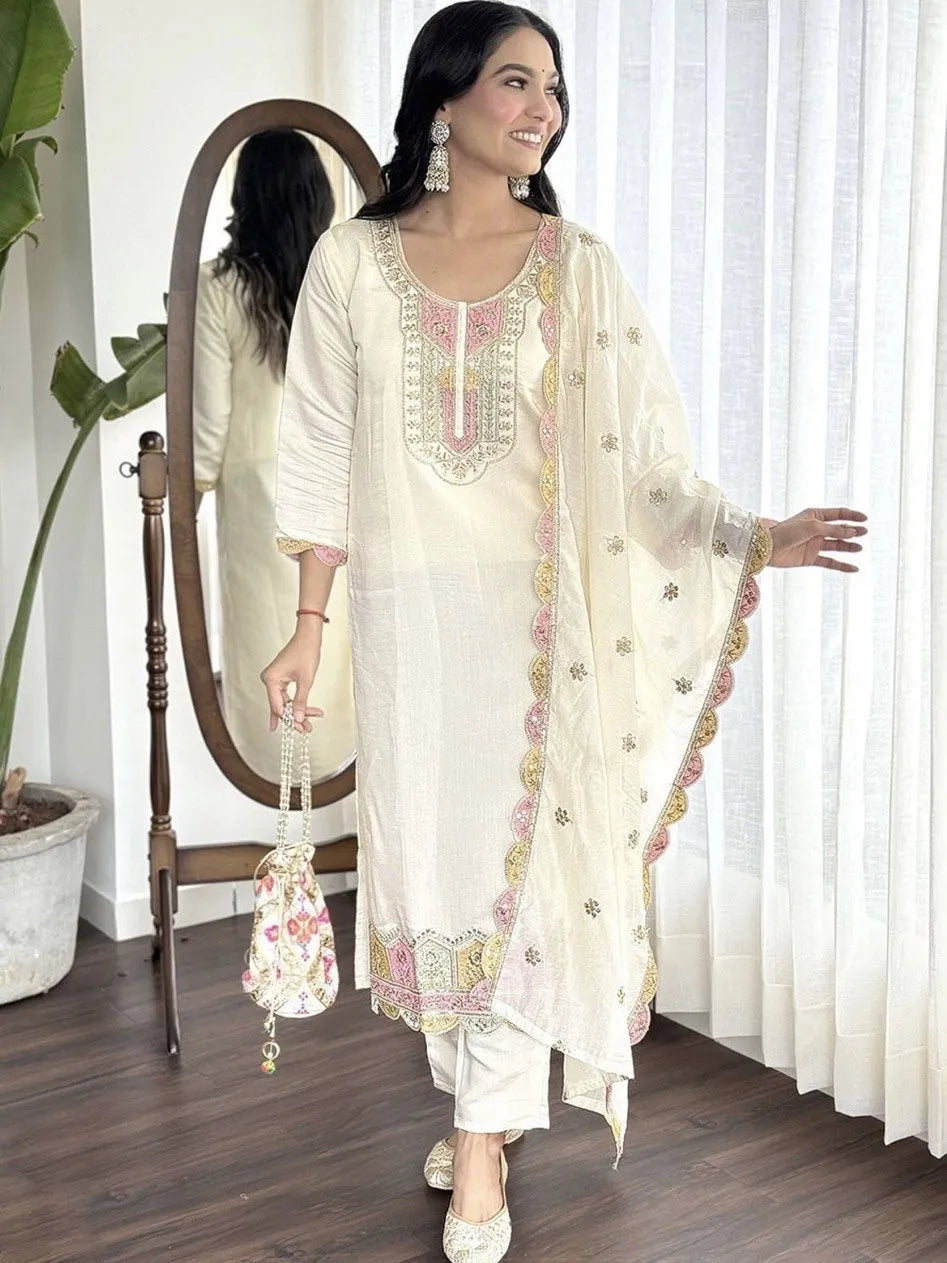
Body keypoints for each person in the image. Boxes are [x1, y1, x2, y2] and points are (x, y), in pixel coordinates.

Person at [261, 5, 868, 1260]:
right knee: (435, 875)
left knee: (530, 874)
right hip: (410, 631)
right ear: (445, 100)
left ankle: (483, 1137)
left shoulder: (575, 265)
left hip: (542, 633)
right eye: (514, 81)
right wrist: (307, 627)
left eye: (553, 88)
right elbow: (315, 456)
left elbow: (642, 466)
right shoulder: (350, 266)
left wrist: (751, 533)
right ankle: (476, 1095)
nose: (541, 108)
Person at [193, 127, 355, 784]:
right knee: (335, 636)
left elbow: (211, 419)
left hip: (258, 499)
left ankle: (279, 771)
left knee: (267, 637)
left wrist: (192, 487)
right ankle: (335, 768)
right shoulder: (341, 283)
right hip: (338, 486)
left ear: (246, 196)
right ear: (316, 197)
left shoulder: (218, 287)